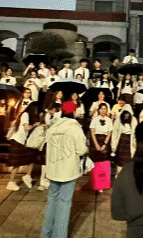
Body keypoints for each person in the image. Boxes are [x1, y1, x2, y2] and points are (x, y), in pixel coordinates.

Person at [40, 101, 88, 238]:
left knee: (52, 200)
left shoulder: (53, 127)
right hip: (68, 170)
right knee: (64, 203)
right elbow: (82, 149)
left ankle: (46, 233)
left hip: (54, 169)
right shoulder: (75, 128)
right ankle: (59, 235)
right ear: (74, 112)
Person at [6, 95, 40, 191]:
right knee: (16, 163)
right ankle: (10, 183)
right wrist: (35, 125)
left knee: (18, 162)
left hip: (19, 140)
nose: (36, 112)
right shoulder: (25, 115)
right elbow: (27, 127)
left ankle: (13, 181)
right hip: (18, 140)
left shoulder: (24, 114)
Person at [111, 110, 137, 175]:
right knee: (120, 162)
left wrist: (135, 140)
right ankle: (118, 176)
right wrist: (113, 146)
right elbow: (115, 133)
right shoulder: (118, 119)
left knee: (129, 161)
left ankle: (128, 178)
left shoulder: (134, 120)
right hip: (121, 141)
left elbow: (136, 132)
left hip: (129, 142)